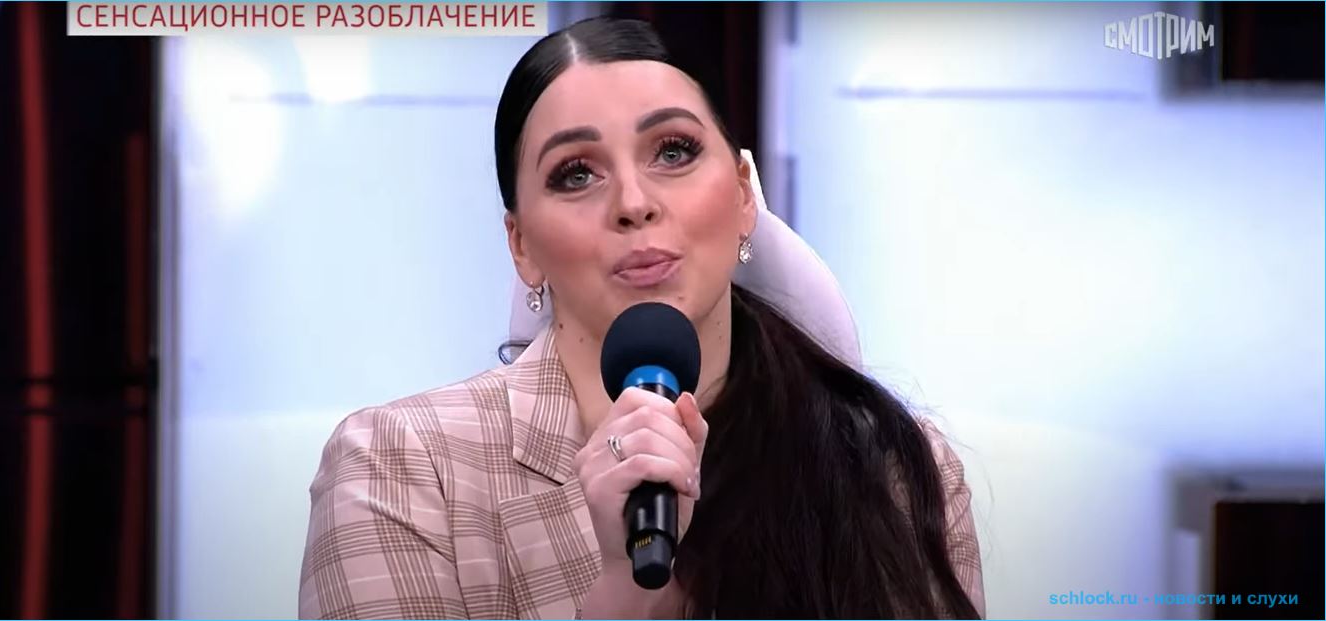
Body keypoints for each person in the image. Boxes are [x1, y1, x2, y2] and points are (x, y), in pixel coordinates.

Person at [299, 16, 985, 620]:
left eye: (673, 151)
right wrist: (624, 591)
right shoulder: (399, 465)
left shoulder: (891, 465)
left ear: (743, 195)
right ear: (522, 245)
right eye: (576, 173)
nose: (633, 202)